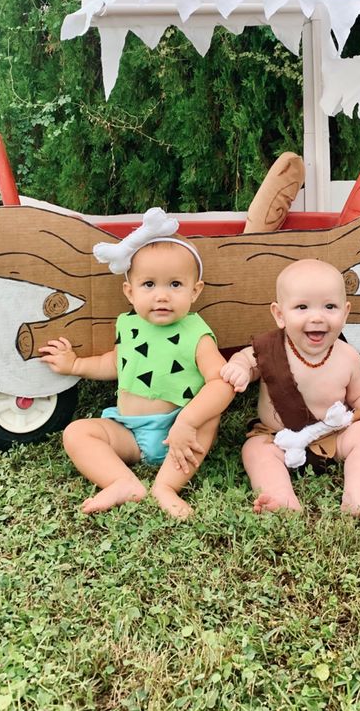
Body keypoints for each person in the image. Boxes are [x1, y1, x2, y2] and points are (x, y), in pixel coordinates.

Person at [40, 208, 234, 518]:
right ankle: (122, 482)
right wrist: (75, 365)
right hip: (127, 431)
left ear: (195, 291)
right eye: (149, 285)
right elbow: (117, 363)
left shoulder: (197, 332)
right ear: (129, 293)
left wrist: (188, 421)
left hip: (177, 430)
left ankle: (166, 486)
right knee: (76, 433)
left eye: (175, 285)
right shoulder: (128, 325)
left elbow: (221, 384)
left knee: (208, 419)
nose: (161, 296)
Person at [220, 258, 360, 520]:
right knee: (255, 450)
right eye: (302, 307)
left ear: (345, 312)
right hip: (278, 438)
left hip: (332, 435)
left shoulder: (347, 356)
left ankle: (356, 496)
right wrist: (239, 367)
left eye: (330, 306)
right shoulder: (271, 349)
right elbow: (248, 359)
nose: (317, 317)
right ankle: (282, 497)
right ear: (280, 314)